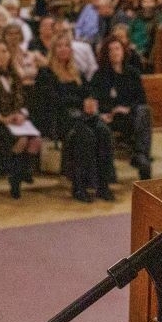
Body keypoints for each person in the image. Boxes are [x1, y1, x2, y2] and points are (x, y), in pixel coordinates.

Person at [32, 36, 115, 203]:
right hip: (59, 118)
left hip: (81, 116)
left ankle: (103, 185)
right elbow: (51, 100)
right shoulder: (46, 73)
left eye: (66, 46)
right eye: (59, 46)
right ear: (53, 51)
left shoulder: (77, 72)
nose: (63, 49)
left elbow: (88, 91)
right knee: (85, 135)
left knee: (103, 131)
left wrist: (90, 100)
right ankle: (79, 185)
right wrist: (80, 102)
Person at [0, 38, 39, 198]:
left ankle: (24, 169)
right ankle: (15, 181)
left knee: (35, 140)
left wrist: (22, 114)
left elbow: (25, 101)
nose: (1, 55)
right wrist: (3, 119)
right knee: (21, 139)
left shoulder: (15, 76)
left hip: (16, 120)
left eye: (4, 51)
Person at [87, 37, 153, 180]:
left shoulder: (132, 73)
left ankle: (140, 155)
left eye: (117, 49)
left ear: (123, 51)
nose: (114, 53)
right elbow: (95, 99)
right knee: (138, 119)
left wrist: (127, 109)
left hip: (130, 116)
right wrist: (112, 110)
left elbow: (141, 99)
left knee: (144, 111)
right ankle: (138, 157)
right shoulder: (100, 75)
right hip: (111, 118)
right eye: (110, 50)